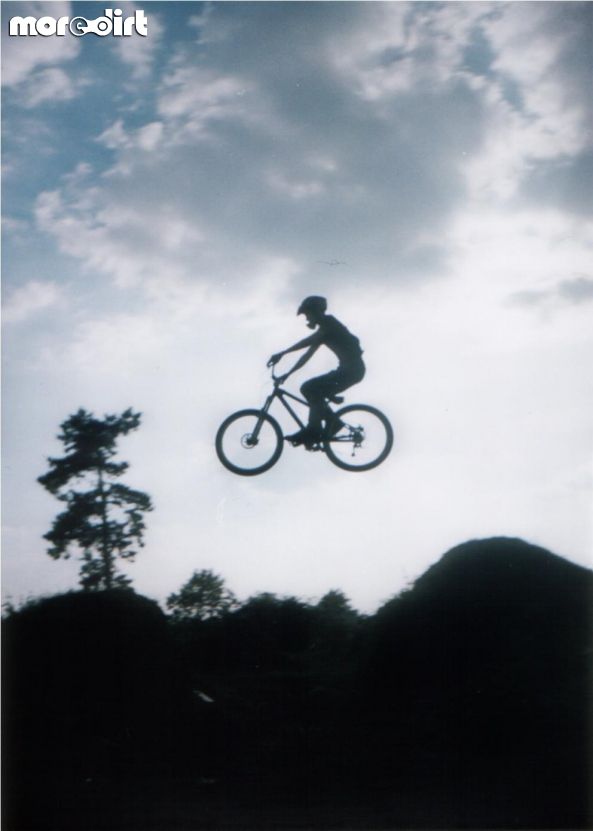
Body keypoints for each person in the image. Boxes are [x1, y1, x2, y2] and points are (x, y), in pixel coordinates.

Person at [267, 296, 365, 446]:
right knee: (311, 389)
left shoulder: (329, 324)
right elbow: (306, 356)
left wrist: (283, 353)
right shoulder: (325, 329)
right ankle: (332, 423)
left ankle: (314, 429)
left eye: (307, 314)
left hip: (351, 370)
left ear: (316, 311)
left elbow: (306, 342)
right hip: (349, 370)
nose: (307, 318)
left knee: (309, 388)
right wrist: (288, 374)